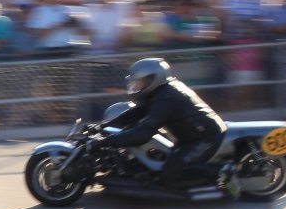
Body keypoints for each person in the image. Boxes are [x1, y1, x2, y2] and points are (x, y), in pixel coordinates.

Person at [99, 58, 230, 191]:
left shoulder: (166, 99)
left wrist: (106, 141)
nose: (136, 86)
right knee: (159, 161)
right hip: (188, 137)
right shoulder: (159, 92)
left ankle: (222, 172)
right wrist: (103, 127)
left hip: (205, 138)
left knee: (171, 174)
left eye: (139, 82)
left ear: (152, 79)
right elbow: (135, 113)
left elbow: (143, 134)